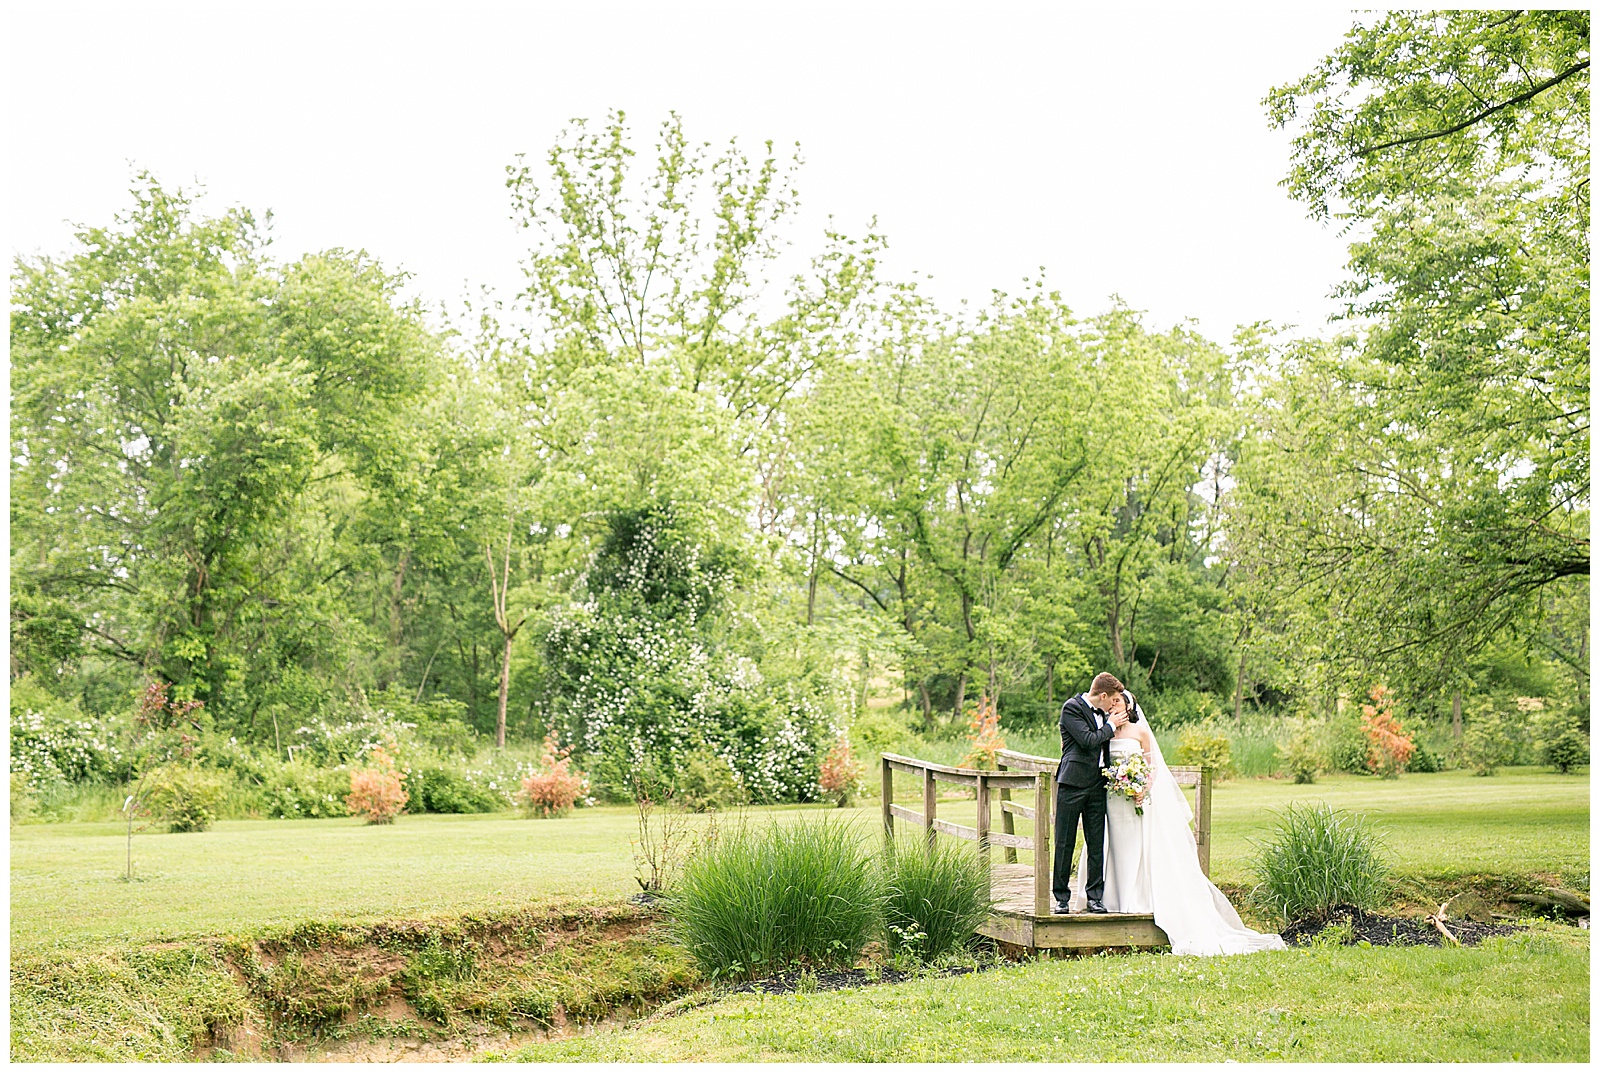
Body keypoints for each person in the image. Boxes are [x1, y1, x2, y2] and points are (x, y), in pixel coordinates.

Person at [1065, 674, 1287, 956]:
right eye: (1113, 702)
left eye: (1120, 702)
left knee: (1136, 846)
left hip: (1134, 799)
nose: (1115, 707)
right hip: (1111, 800)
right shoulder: (1106, 732)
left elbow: (1151, 765)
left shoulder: (1140, 732)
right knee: (1109, 845)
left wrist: (1141, 787)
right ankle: (1105, 897)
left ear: (1128, 705)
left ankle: (1136, 898)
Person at [1052, 672, 1129, 914]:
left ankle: (1095, 897)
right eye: (1112, 700)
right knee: (1065, 841)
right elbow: (1086, 740)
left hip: (1097, 784)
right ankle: (1061, 898)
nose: (1113, 706)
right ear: (1103, 695)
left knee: (1097, 842)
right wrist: (1111, 726)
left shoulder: (1105, 714)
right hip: (1072, 783)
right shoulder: (1071, 708)